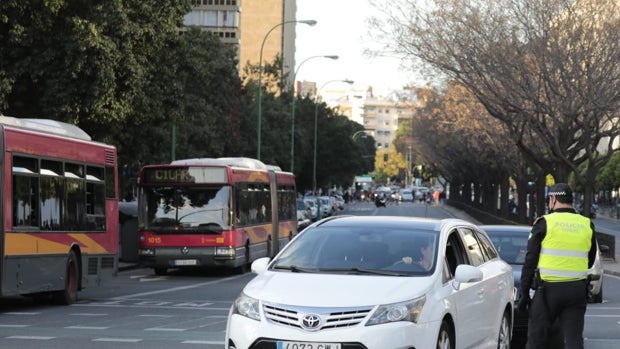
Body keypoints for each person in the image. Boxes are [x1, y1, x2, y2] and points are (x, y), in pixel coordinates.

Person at [518, 183, 597, 349]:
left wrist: (524, 293)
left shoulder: (544, 223)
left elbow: (530, 260)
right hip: (576, 290)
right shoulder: (586, 224)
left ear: (553, 199)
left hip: (547, 291)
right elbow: (589, 260)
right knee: (574, 340)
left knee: (537, 339)